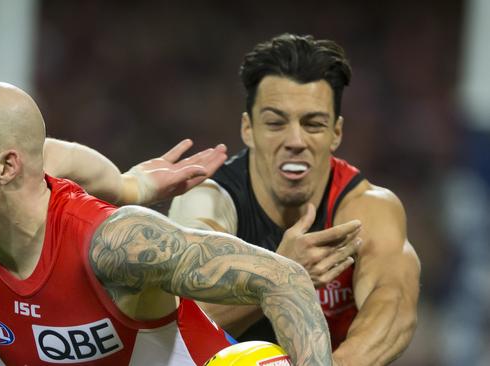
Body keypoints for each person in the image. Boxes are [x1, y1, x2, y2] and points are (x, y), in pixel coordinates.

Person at [0, 82, 333, 365]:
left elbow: (284, 277)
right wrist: (127, 184)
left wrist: (125, 195)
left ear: (7, 167)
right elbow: (37, 156)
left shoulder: (115, 245)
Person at [169, 33, 421, 365]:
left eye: (313, 124)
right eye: (275, 123)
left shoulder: (367, 208)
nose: (295, 140)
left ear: (336, 133)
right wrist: (276, 277)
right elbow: (175, 331)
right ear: (248, 129)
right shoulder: (207, 204)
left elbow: (394, 311)